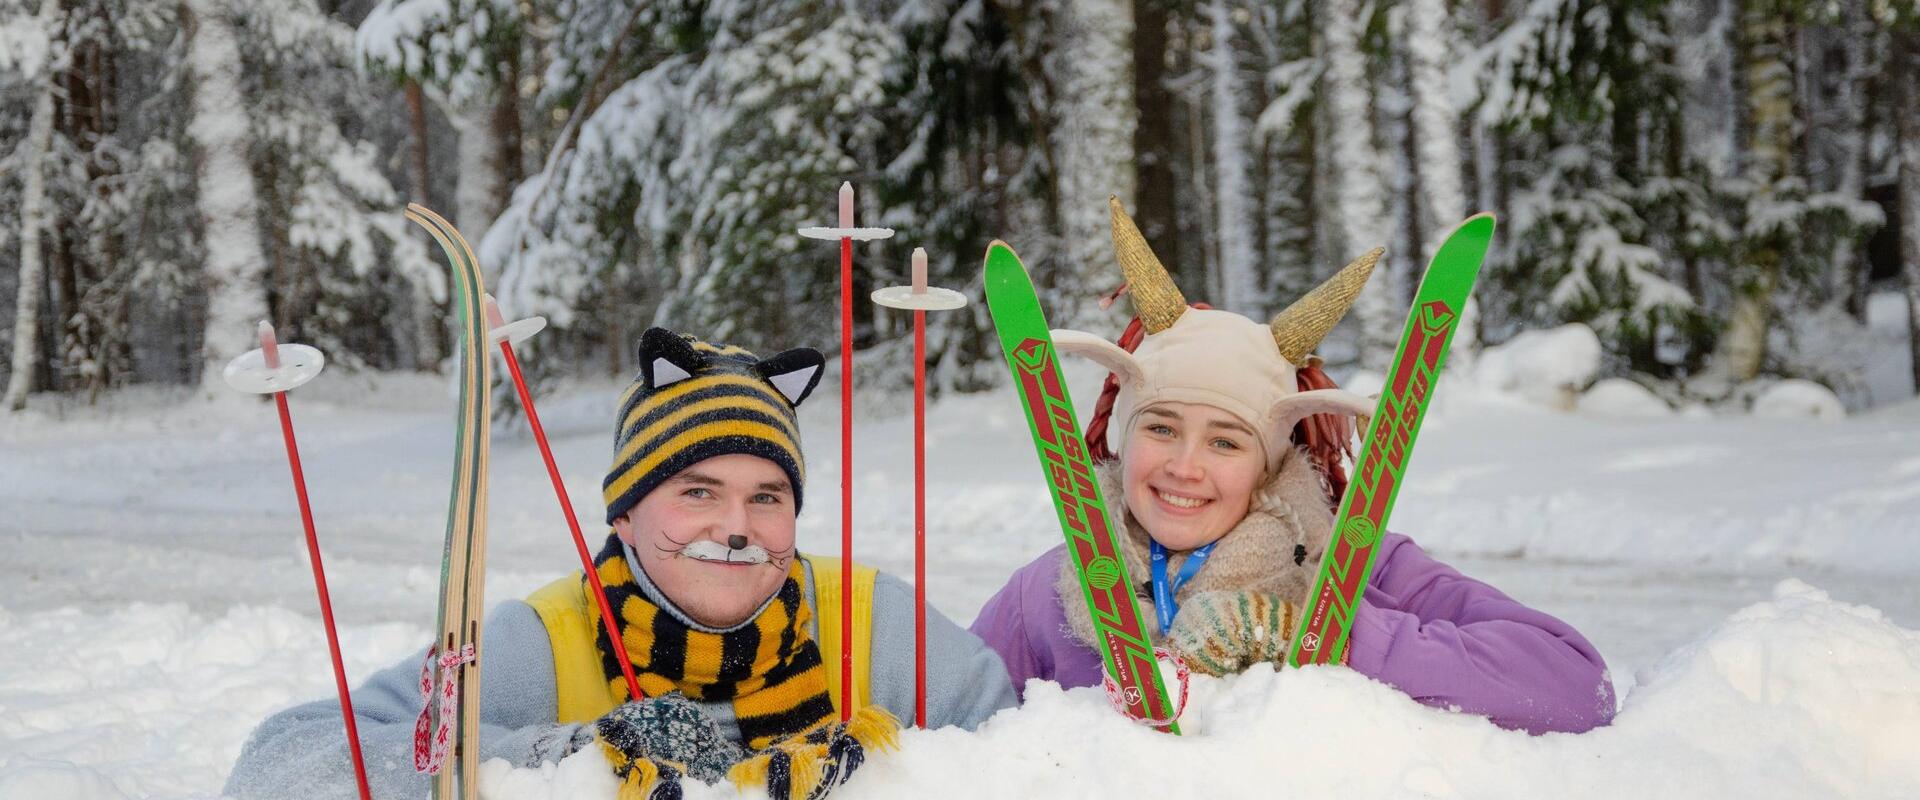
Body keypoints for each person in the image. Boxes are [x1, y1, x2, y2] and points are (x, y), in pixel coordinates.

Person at [226, 327, 1017, 800]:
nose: (736, 528)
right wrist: (568, 757)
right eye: (698, 491)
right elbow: (283, 763)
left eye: (768, 497)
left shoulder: (875, 621)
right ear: (626, 513)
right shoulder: (545, 637)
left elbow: (1034, 758)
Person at [968, 199, 1615, 735]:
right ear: (1121, 430)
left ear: (1269, 460)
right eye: (1161, 428)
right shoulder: (1046, 595)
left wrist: (1322, 633)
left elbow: (1577, 687)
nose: (1185, 466)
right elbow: (943, 729)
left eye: (1226, 442)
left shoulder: (1366, 565)